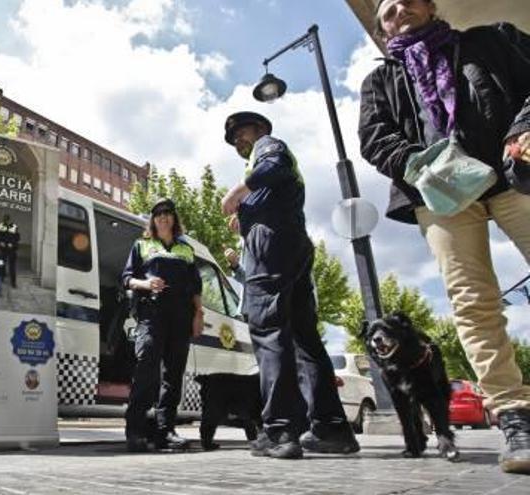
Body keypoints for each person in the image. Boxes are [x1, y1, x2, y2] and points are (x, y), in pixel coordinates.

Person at [357, 0, 530, 473]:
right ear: (383, 27)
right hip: (441, 195)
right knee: (472, 299)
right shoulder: (380, 80)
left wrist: (524, 127)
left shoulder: (491, 38)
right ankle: (515, 416)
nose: (399, 9)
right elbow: (374, 136)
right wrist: (419, 164)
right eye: (388, 9)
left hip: (511, 174)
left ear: (431, 7)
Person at [221, 111, 358, 459]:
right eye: (234, 137)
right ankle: (331, 428)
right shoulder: (263, 167)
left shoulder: (268, 148)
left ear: (261, 130)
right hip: (291, 243)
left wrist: (238, 193)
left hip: (272, 247)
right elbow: (276, 187)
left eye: (242, 132)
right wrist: (247, 215)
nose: (239, 140)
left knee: (269, 331)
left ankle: (281, 430)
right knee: (304, 339)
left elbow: (274, 166)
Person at [121, 198, 204, 452]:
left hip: (181, 317)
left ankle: (165, 431)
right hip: (152, 314)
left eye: (168, 212)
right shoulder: (142, 245)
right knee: (146, 366)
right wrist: (145, 284)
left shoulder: (186, 249)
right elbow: (126, 279)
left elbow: (196, 287)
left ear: (174, 218)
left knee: (174, 375)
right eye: (158, 213)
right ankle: (135, 430)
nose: (163, 217)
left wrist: (198, 314)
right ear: (153, 220)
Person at [0, 215, 20, 288]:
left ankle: (13, 283)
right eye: (5, 220)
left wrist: (12, 244)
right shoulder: (1, 226)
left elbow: (17, 237)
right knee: (2, 264)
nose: (6, 221)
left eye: (7, 220)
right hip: (3, 249)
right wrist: (0, 242)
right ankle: (2, 277)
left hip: (12, 250)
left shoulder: (14, 226)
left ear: (10, 220)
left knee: (12, 267)